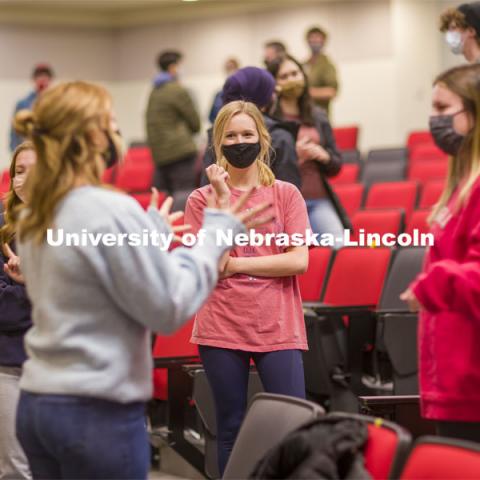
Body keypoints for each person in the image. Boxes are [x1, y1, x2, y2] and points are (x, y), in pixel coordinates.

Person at [11, 81, 271, 480]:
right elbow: (168, 307)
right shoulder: (108, 208)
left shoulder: (36, 214)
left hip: (39, 404)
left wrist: (144, 234)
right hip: (96, 412)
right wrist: (217, 234)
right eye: (112, 123)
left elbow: (90, 270)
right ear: (96, 137)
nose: (118, 133)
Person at [185, 100, 309, 475]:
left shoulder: (286, 194)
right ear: (217, 144)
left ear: (262, 138)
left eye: (247, 134)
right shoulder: (201, 200)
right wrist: (223, 201)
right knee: (231, 429)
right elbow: (212, 266)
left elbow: (297, 261)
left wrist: (238, 264)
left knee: (292, 427)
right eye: (231, 136)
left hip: (278, 324)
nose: (240, 142)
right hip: (222, 325)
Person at [401, 64, 480, 443]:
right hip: (451, 379)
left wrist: (433, 283)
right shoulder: (460, 186)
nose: (433, 119)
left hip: (472, 384)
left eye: (442, 107)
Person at [267, 54, 344, 245]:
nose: (292, 79)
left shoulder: (318, 115)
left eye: (295, 73)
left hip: (318, 198)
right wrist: (294, 157)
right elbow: (262, 169)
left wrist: (324, 156)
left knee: (339, 247)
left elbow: (336, 165)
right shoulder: (267, 120)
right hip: (283, 206)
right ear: (275, 84)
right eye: (284, 76)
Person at [201, 66, 301, 189]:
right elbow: (291, 189)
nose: (239, 141)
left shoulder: (217, 130)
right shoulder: (280, 136)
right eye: (271, 92)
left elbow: (207, 188)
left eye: (247, 134)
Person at [0, 142, 36, 480]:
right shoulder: (1, 228)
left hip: (62, 366)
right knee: (16, 468)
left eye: (33, 171)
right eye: (18, 172)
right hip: (9, 365)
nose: (23, 180)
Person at [146, 50, 201, 204]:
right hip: (180, 152)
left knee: (166, 199)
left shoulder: (154, 91)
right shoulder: (177, 90)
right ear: (173, 68)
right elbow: (195, 122)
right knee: (184, 196)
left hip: (160, 153)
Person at [10, 64, 54, 152]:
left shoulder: (57, 102)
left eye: (45, 76)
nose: (42, 79)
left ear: (50, 80)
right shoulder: (22, 104)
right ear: (33, 79)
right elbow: (15, 130)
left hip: (51, 150)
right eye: (38, 76)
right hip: (29, 149)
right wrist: (15, 151)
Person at [304, 26, 338, 117]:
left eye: (317, 38)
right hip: (304, 116)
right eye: (312, 38)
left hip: (320, 117)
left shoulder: (327, 65)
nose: (314, 41)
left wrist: (305, 92)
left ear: (323, 41)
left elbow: (331, 92)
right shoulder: (304, 64)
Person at [209, 57, 240, 123]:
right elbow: (211, 117)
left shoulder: (244, 94)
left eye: (232, 67)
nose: (230, 71)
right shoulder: (218, 95)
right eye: (227, 68)